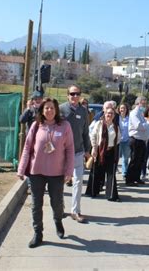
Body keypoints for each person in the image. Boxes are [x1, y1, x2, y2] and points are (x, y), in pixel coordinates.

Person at [17, 97, 74, 248]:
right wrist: (21, 169)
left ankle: (58, 220)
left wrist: (69, 171)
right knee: (36, 204)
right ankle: (38, 233)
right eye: (46, 108)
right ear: (42, 110)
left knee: (56, 202)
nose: (49, 111)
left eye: (52, 108)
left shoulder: (65, 126)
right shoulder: (36, 126)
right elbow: (27, 148)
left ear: (56, 111)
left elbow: (70, 150)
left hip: (57, 173)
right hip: (36, 172)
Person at [59, 84, 91, 224]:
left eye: (77, 93)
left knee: (78, 182)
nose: (75, 96)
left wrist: (88, 150)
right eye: (72, 94)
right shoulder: (61, 109)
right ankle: (59, 208)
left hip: (78, 152)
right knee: (60, 182)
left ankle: (75, 211)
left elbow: (85, 132)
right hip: (62, 153)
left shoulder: (84, 111)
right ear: (68, 95)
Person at [88, 107, 121, 201]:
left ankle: (111, 195)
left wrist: (111, 145)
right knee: (96, 171)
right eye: (108, 113)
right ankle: (93, 192)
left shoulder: (115, 126)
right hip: (99, 150)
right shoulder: (99, 124)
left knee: (111, 173)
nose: (109, 115)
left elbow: (118, 138)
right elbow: (93, 136)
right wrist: (94, 148)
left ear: (114, 116)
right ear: (104, 114)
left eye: (111, 113)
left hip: (110, 151)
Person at [126, 96, 149, 186]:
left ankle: (136, 177)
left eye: (145, 104)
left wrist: (146, 125)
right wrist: (147, 124)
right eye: (143, 103)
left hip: (141, 140)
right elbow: (139, 126)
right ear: (138, 103)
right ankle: (129, 179)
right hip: (135, 139)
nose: (145, 105)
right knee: (134, 160)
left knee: (140, 160)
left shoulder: (141, 113)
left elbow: (144, 126)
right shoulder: (134, 113)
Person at [118, 103, 131, 178]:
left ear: (127, 110)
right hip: (118, 141)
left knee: (125, 158)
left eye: (124, 108)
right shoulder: (117, 118)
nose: (123, 110)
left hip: (126, 141)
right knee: (116, 158)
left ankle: (124, 173)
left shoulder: (129, 118)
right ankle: (113, 171)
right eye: (121, 108)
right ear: (119, 109)